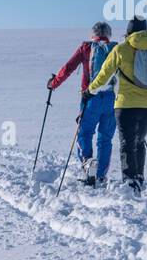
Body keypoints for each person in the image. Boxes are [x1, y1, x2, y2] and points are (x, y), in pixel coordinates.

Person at [86, 16, 147, 193]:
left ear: (128, 31)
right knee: (139, 141)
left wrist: (90, 89)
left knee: (127, 143)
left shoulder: (121, 49)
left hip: (126, 105)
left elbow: (104, 75)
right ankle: (139, 177)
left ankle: (130, 181)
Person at [47, 21, 117, 186]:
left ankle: (87, 163)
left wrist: (54, 83)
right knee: (105, 138)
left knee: (84, 133)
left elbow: (69, 67)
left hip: (90, 98)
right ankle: (100, 175)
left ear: (92, 34)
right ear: (109, 34)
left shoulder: (86, 48)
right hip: (111, 99)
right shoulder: (116, 49)